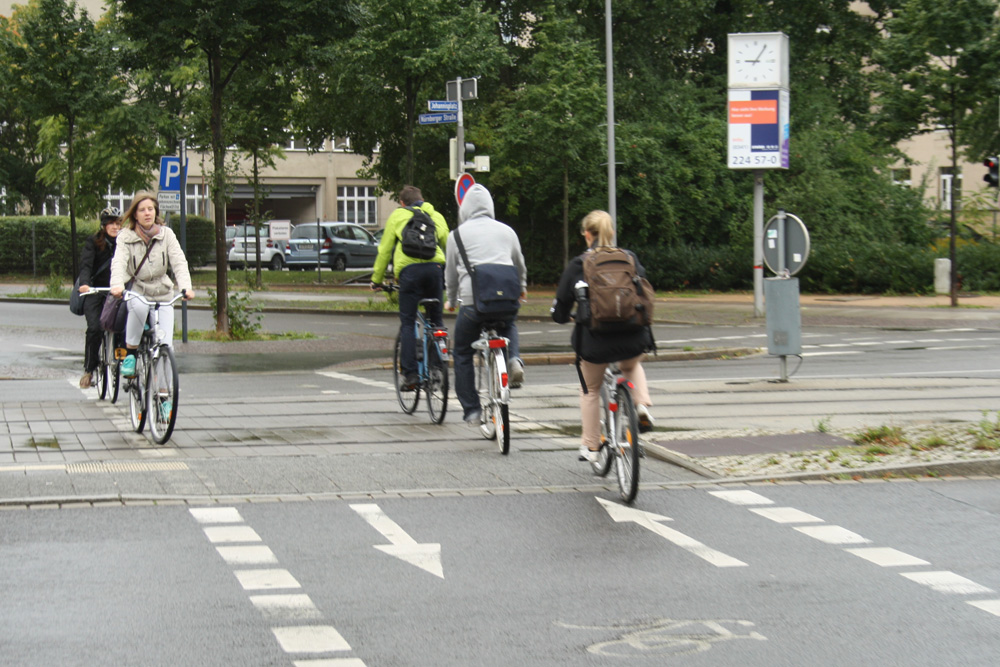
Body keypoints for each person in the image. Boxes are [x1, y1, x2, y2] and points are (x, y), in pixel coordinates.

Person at [550, 210, 655, 463]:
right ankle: (641, 405)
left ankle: (592, 446)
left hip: (596, 342)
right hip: (633, 335)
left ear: (587, 234)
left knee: (590, 388)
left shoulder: (579, 264)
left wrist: (562, 315)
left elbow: (562, 305)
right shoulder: (629, 258)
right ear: (611, 233)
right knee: (631, 364)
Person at [445, 183, 527, 423]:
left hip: (472, 304)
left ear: (465, 209)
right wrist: (521, 288)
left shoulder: (456, 235)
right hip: (506, 299)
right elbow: (519, 264)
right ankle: (513, 359)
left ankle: (471, 409)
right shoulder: (507, 231)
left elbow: (450, 275)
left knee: (461, 352)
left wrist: (451, 301)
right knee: (509, 324)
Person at [370, 185, 450, 389]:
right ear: (422, 199)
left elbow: (385, 249)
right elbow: (446, 241)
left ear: (402, 203)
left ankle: (411, 375)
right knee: (436, 320)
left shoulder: (398, 216)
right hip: (434, 269)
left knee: (408, 322)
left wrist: (377, 280)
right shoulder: (435, 214)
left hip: (409, 272)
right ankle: (436, 368)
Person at [109, 192, 195, 380]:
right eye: (142, 210)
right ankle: (130, 354)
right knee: (138, 308)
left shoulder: (167, 235)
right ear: (135, 214)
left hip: (163, 292)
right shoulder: (125, 237)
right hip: (139, 289)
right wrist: (116, 285)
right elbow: (119, 262)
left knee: (166, 345)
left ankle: (163, 394)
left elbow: (179, 262)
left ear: (156, 211)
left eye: (150, 209)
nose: (147, 213)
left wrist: (186, 287)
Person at [76, 207, 122, 388]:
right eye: (110, 223)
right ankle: (89, 369)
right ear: (103, 226)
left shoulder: (124, 242)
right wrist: (85, 284)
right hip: (95, 291)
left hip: (115, 291)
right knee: (95, 328)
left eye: (117, 223)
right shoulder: (93, 242)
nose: (114, 227)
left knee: (123, 324)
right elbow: (86, 265)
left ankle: (124, 360)